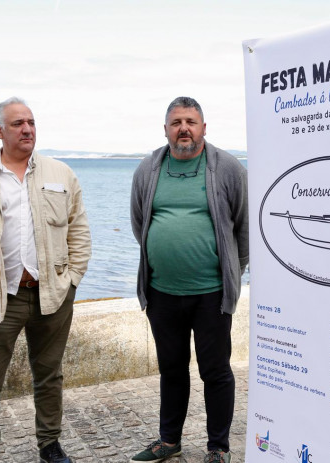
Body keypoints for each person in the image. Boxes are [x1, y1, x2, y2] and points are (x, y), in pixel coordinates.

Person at [0, 97, 91, 463]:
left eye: (31, 122)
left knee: (49, 376)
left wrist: (71, 281)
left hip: (52, 295)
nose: (27, 129)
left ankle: (50, 445)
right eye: (17, 124)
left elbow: (80, 232)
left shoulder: (61, 173)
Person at [129, 97, 249, 463]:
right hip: (162, 292)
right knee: (172, 369)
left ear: (204, 128)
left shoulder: (227, 168)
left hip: (211, 295)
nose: (184, 128)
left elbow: (243, 230)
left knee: (216, 371)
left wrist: (231, 269)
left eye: (191, 121)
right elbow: (140, 223)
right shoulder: (148, 170)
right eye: (177, 121)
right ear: (165, 129)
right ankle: (170, 441)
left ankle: (218, 448)